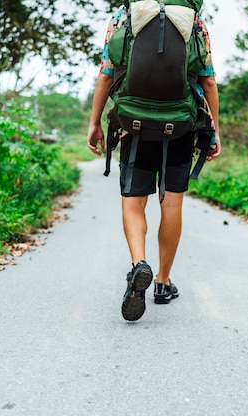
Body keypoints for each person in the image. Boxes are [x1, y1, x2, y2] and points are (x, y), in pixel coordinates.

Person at [86, 3, 221, 321]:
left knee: (133, 201)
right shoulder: (195, 20)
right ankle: (162, 282)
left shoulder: (124, 16)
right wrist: (213, 130)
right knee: (171, 204)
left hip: (134, 123)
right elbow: (208, 80)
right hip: (182, 123)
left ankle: (139, 264)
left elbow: (107, 73)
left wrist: (95, 123)